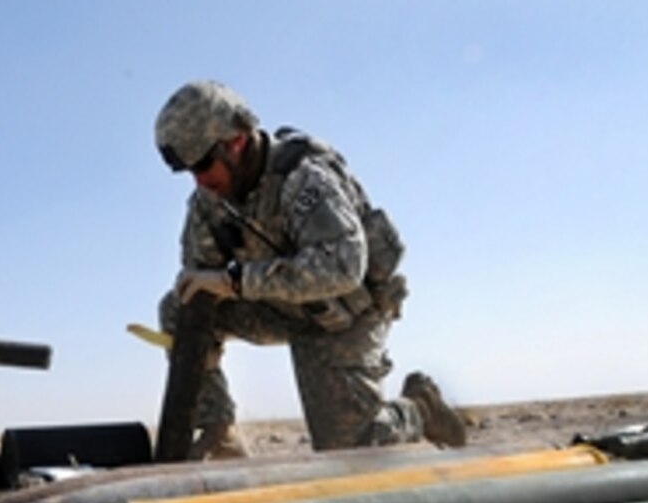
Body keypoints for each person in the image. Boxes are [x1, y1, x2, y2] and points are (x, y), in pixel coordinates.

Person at [153, 80, 466, 457]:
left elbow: (343, 265)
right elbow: (198, 279)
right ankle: (221, 436)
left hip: (345, 313)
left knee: (350, 453)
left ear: (235, 141)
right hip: (279, 307)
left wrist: (235, 282)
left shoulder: (303, 179)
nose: (200, 180)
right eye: (189, 170)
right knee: (180, 305)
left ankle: (420, 409)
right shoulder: (209, 202)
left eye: (203, 164)